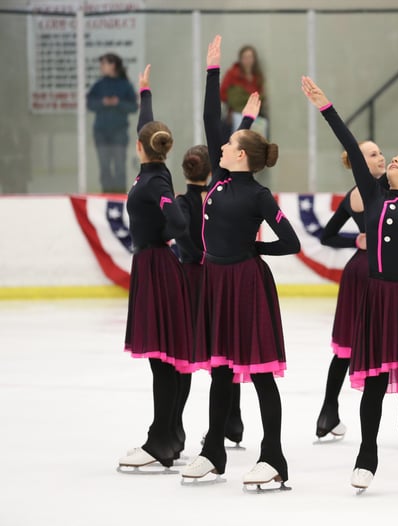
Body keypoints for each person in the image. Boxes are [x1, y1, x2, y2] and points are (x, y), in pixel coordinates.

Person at [303, 75, 398, 492]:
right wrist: (326, 107)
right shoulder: (373, 197)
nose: (397, 160)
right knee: (372, 382)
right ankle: (366, 455)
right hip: (377, 298)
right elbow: (352, 147)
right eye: (395, 159)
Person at [181, 36, 300, 491]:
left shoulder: (258, 194)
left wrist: (257, 251)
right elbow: (212, 118)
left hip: (246, 284)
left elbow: (290, 241)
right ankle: (213, 451)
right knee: (221, 371)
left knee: (262, 374)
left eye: (230, 144)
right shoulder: (222, 178)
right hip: (214, 279)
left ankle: (274, 457)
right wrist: (212, 72)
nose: (222, 146)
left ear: (242, 156)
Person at [117, 64, 193, 472]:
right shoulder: (155, 170)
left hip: (156, 265)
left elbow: (179, 222)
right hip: (156, 265)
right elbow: (147, 129)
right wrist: (145, 94)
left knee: (163, 361)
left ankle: (160, 442)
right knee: (166, 360)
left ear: (140, 147)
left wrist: (168, 231)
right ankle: (170, 435)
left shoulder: (155, 183)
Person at [175, 94, 261, 449]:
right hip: (215, 275)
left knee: (217, 353)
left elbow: (181, 235)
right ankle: (233, 419)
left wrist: (193, 257)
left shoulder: (207, 194)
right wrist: (246, 121)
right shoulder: (218, 190)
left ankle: (217, 423)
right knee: (227, 351)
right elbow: (231, 149)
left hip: (205, 278)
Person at [86, 53, 138, 193]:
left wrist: (118, 103)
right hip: (101, 132)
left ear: (113, 65)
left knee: (120, 165)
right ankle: (106, 194)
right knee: (104, 166)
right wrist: (102, 102)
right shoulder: (99, 85)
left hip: (119, 132)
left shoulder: (125, 85)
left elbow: (133, 106)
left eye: (104, 64)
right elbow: (89, 103)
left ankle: (119, 195)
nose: (101, 67)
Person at [220, 45, 267, 135]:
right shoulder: (232, 74)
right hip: (237, 113)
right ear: (240, 59)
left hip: (255, 113)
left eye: (250, 57)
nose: (248, 60)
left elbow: (261, 96)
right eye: (245, 57)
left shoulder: (257, 76)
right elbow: (224, 94)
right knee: (240, 136)